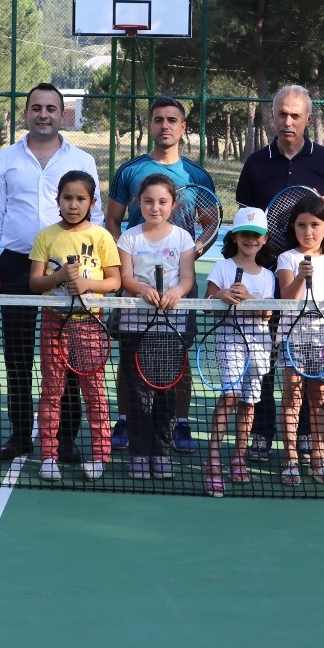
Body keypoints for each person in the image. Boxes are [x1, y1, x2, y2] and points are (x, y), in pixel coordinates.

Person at [0, 82, 103, 463]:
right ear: (26, 113)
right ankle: (20, 436)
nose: (44, 114)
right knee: (18, 356)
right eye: (37, 108)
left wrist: (90, 270)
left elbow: (96, 218)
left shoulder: (82, 159)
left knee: (66, 358)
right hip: (17, 265)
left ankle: (65, 440)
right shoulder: (6, 158)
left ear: (61, 112)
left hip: (71, 271)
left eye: (51, 108)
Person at [232, 84, 324, 465]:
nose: (287, 121)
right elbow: (246, 222)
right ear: (273, 116)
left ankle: (302, 442)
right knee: (265, 355)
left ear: (308, 119)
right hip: (268, 273)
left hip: (313, 279)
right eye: (281, 114)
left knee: (307, 367)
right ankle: (264, 433)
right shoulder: (255, 163)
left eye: (295, 115)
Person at [106, 96, 216, 453]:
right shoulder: (130, 171)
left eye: (172, 120)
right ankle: (126, 419)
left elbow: (211, 223)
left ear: (183, 128)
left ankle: (178, 422)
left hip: (177, 283)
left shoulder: (197, 176)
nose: (164, 125)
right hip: (134, 283)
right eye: (158, 120)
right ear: (150, 125)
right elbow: (112, 218)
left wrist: (193, 250)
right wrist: (119, 259)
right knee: (130, 355)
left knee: (177, 356)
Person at [29, 170, 121, 482]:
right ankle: (49, 457)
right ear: (57, 201)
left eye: (80, 198)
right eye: (67, 197)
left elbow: (115, 281)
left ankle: (99, 455)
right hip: (53, 324)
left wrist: (84, 283)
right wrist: (59, 278)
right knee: (52, 392)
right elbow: (34, 281)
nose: (73, 204)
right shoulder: (46, 236)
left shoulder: (102, 237)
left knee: (94, 392)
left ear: (92, 202)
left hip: (90, 326)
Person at [116, 174, 198, 480]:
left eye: (162, 201)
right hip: (134, 327)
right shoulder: (129, 238)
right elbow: (125, 277)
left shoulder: (182, 239)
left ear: (173, 204)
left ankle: (161, 452)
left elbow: (187, 278)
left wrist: (177, 291)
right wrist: (141, 290)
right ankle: (139, 453)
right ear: (139, 203)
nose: (155, 207)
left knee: (165, 394)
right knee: (138, 394)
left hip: (169, 329)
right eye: (148, 201)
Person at [275, 195, 324, 486]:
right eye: (302, 225)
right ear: (293, 227)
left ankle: (319, 457)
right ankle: (291, 459)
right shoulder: (287, 258)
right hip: (293, 338)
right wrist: (298, 278)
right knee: (292, 398)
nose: (308, 231)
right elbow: (286, 297)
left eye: (315, 225)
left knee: (318, 399)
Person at [203, 207, 276, 495]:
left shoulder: (268, 275)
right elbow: (206, 300)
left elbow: (267, 313)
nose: (250, 239)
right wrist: (221, 295)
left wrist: (247, 299)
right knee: (230, 396)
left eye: (256, 235)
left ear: (264, 239)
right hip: (230, 341)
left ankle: (238, 458)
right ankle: (213, 459)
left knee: (249, 402)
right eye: (245, 234)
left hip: (259, 345)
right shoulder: (222, 268)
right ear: (235, 237)